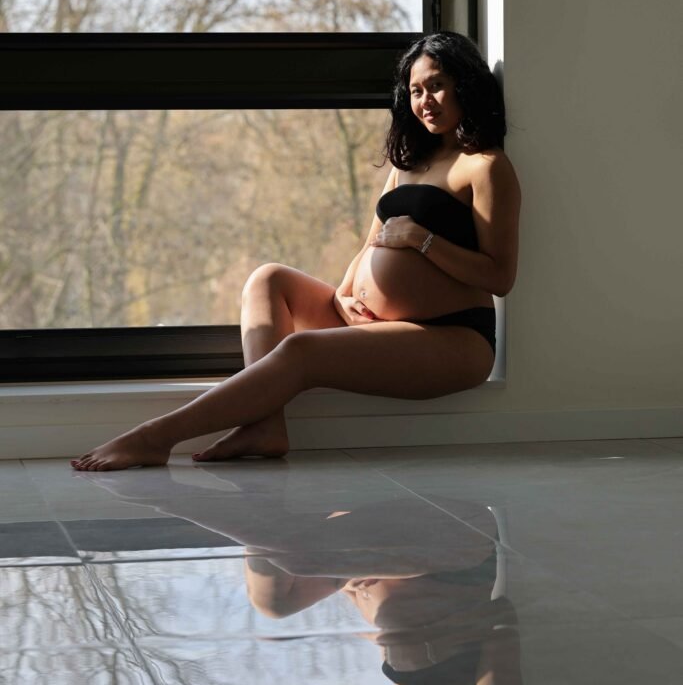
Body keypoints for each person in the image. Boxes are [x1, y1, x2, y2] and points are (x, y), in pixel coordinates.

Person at [71, 31, 521, 471]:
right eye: (416, 90)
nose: (426, 101)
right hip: (375, 321)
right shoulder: (410, 163)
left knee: (301, 352)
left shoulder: (485, 167)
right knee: (268, 279)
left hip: (450, 337)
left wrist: (424, 240)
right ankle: (264, 426)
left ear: (464, 81)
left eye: (437, 85)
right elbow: (370, 244)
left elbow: (500, 276)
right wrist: (347, 295)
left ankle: (155, 436)